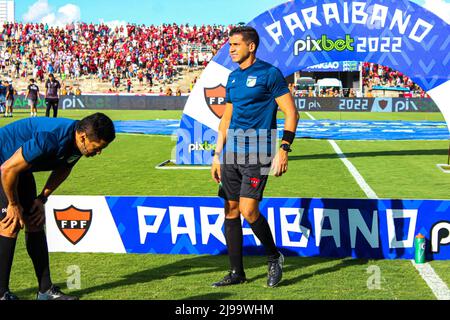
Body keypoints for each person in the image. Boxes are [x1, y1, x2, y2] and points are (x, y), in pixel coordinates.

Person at [210, 26, 299, 288]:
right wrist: (217, 155)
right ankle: (237, 273)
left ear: (251, 46)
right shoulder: (233, 79)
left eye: (236, 45)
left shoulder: (270, 74)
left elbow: (291, 113)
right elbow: (226, 118)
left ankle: (274, 257)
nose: (231, 50)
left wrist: (284, 148)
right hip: (231, 154)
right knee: (230, 210)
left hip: (259, 151)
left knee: (249, 211)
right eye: (229, 45)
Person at [0, 112, 116, 300]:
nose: (99, 152)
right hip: (5, 165)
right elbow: (7, 169)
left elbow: (64, 167)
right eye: (98, 147)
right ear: (83, 137)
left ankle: (45, 291)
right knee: (10, 223)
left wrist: (42, 198)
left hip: (20, 169)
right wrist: (13, 204)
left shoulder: (79, 144)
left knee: (35, 222)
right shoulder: (51, 138)